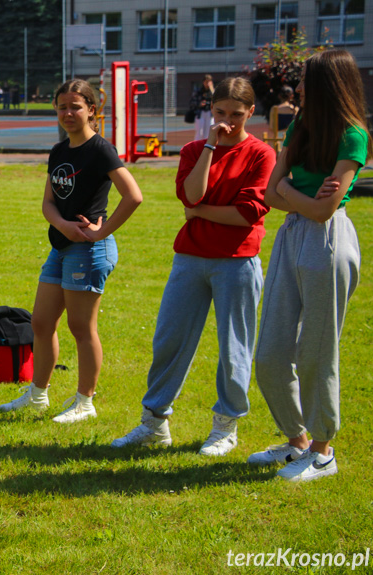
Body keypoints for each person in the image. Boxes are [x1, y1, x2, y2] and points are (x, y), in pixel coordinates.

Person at [111, 78, 276, 454]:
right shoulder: (193, 150)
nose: (228, 122)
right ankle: (153, 424)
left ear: (251, 113)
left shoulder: (261, 154)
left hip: (238, 261)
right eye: (220, 113)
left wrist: (199, 213)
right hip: (190, 258)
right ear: (211, 111)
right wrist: (209, 148)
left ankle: (225, 428)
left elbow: (248, 214)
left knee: (234, 347)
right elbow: (191, 193)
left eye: (237, 115)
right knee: (169, 340)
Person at [250, 49, 372, 482]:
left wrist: (288, 192)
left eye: (306, 81)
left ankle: (322, 451)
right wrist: (294, 195)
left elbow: (324, 211)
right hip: (291, 236)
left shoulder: (353, 136)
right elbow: (268, 193)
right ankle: (296, 441)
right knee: (270, 353)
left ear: (328, 86)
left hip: (328, 240)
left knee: (317, 349)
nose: (297, 88)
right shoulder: (301, 125)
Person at [0, 79, 143, 423]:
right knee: (42, 322)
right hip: (61, 246)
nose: (68, 113)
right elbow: (49, 202)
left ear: (91, 110)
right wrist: (62, 226)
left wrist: (101, 230)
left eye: (75, 107)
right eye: (62, 107)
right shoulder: (60, 150)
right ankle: (37, 395)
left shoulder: (100, 149)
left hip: (90, 251)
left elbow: (133, 195)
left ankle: (84, 402)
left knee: (81, 327)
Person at [191, 75, 215, 141]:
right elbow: (193, 102)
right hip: (200, 113)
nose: (207, 84)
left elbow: (216, 101)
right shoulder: (198, 91)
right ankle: (197, 147)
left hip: (210, 113)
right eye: (206, 82)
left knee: (208, 132)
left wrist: (212, 89)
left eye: (209, 82)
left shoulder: (213, 92)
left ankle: (206, 147)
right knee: (200, 132)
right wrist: (200, 104)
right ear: (203, 82)